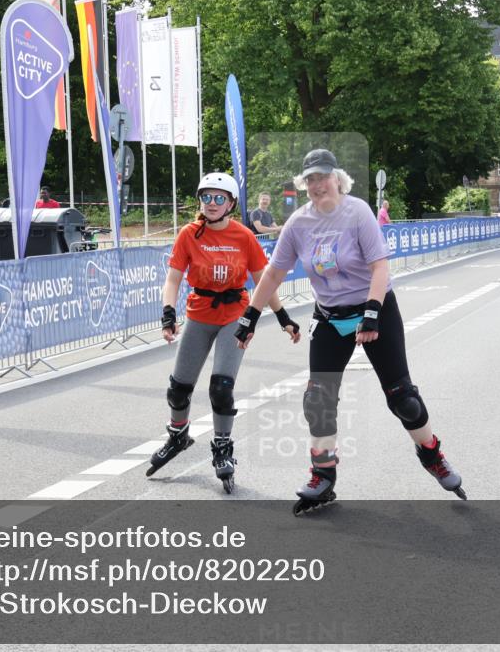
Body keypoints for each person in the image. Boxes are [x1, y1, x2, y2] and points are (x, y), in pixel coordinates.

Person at [235, 149, 466, 514]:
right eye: (309, 179)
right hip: (329, 316)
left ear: (337, 179)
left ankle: (431, 453)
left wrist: (372, 313)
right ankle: (323, 475)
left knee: (402, 398)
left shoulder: (357, 211)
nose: (316, 185)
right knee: (318, 400)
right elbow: (273, 274)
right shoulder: (298, 223)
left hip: (375, 309)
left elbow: (380, 266)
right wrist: (249, 316)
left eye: (322, 177)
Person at [146, 172, 301, 493]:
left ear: (230, 203)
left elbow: (264, 281)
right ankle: (178, 435)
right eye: (207, 197)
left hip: (234, 316)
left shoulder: (244, 237)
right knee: (178, 389)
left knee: (221, 388)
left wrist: (283, 316)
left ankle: (222, 447)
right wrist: (167, 313)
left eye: (219, 198)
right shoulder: (189, 234)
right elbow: (173, 278)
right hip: (199, 314)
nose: (212, 204)